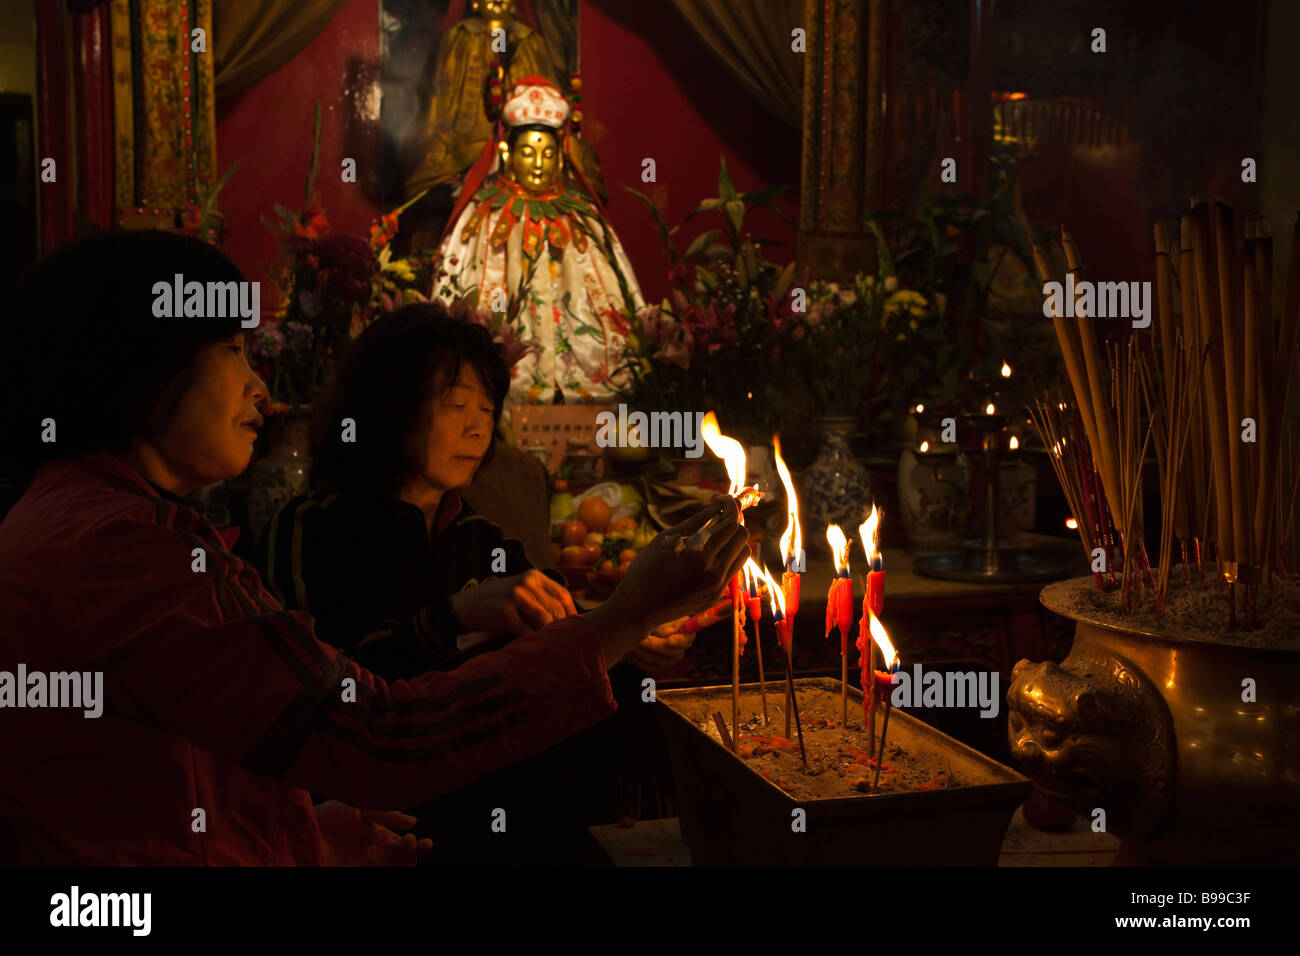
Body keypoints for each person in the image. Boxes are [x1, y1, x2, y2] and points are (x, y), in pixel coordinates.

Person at [0, 229, 748, 865]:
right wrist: (620, 618)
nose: (261, 388)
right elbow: (378, 735)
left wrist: (298, 832)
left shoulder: (89, 519)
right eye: (233, 351)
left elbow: (198, 761)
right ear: (143, 366)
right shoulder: (125, 551)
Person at [254, 303, 692, 864]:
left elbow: (560, 641)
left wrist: (635, 638)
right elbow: (327, 703)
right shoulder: (308, 530)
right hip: (378, 823)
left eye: (487, 409)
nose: (477, 427)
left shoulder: (480, 537)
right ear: (387, 407)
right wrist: (453, 617)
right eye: (456, 405)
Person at [436, 75, 641, 409]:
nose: (537, 163)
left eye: (546, 153)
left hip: (580, 374)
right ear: (508, 153)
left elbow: (618, 295)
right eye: (528, 152)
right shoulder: (483, 215)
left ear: (559, 157)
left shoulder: (583, 216)